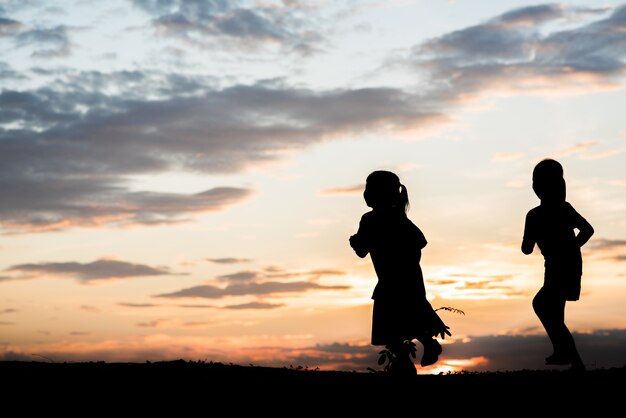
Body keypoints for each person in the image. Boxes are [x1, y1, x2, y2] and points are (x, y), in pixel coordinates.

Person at [349, 170, 450, 374]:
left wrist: (354, 242)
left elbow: (361, 251)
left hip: (390, 280)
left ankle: (405, 361)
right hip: (409, 277)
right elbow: (420, 241)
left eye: (368, 188)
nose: (365, 193)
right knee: (409, 315)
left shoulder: (370, 220)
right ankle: (422, 348)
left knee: (390, 325)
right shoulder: (399, 218)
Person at [521, 158, 594, 372]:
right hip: (557, 264)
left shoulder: (538, 214)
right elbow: (587, 230)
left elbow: (526, 248)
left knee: (542, 304)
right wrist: (572, 247)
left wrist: (569, 248)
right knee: (555, 312)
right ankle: (573, 362)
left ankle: (567, 356)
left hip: (563, 264)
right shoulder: (555, 210)